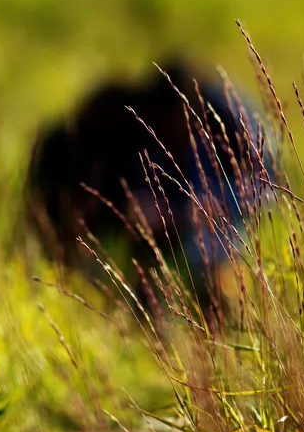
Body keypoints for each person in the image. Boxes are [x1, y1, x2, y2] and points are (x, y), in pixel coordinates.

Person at [24, 60, 276, 323]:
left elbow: (262, 187)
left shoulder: (220, 124)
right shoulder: (145, 125)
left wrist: (182, 212)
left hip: (223, 216)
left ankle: (215, 316)